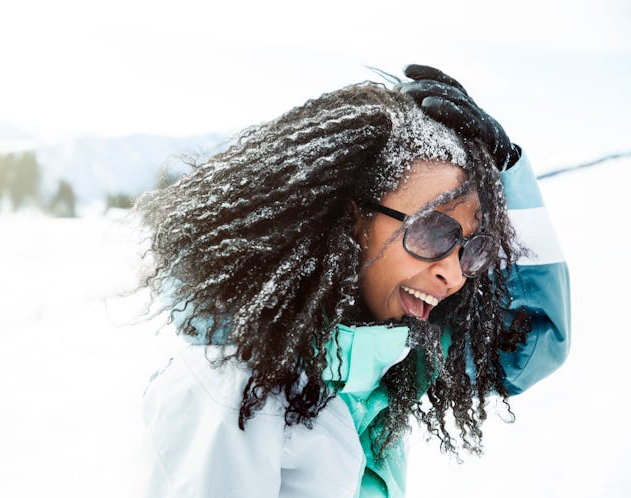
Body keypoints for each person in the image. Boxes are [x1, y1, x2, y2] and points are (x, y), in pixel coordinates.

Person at [135, 65, 570, 498]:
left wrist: (508, 170)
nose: (454, 275)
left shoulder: (381, 363)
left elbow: (529, 344)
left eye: (474, 248)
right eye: (434, 232)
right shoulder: (233, 395)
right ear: (349, 219)